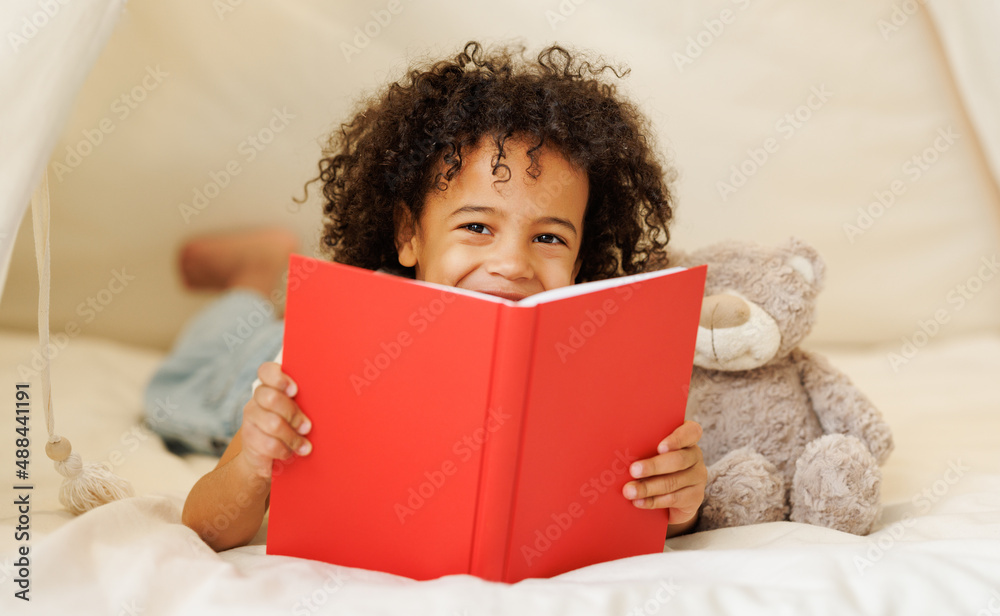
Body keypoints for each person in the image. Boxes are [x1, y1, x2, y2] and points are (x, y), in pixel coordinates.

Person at [149, 41, 707, 552]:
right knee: (197, 377)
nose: (513, 265)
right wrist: (252, 461)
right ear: (408, 235)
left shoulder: (595, 361)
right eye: (477, 227)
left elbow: (631, 500)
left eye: (548, 238)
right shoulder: (322, 352)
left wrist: (679, 506)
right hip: (252, 365)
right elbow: (206, 527)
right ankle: (250, 278)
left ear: (581, 260)